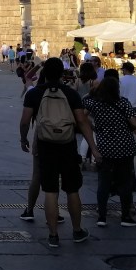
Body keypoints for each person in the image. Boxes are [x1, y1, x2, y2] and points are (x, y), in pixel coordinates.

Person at [19, 57, 98, 247]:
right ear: (62, 73)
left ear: (45, 73)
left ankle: (53, 235)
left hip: (45, 144)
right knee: (72, 189)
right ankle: (77, 231)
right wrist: (93, 148)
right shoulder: (71, 94)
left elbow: (24, 121)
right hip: (67, 145)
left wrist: (23, 139)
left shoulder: (35, 93)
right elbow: (82, 121)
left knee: (50, 190)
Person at [83, 75, 136, 227]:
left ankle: (102, 217)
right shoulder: (123, 103)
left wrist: (95, 126)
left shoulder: (94, 104)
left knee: (103, 183)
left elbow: (82, 114)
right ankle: (125, 216)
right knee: (125, 182)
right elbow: (135, 123)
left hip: (105, 148)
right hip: (125, 148)